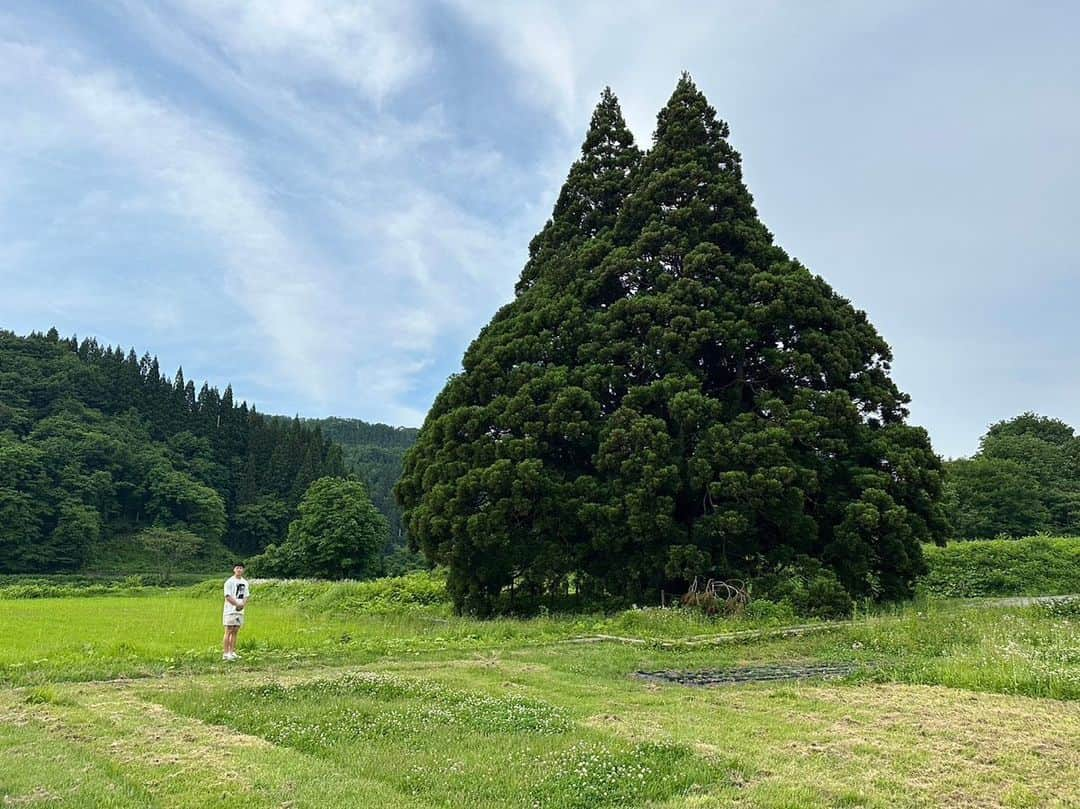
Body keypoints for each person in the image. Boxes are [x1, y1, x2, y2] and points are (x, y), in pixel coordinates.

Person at [222, 563, 250, 661]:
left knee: (236, 630)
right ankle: (225, 653)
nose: (239, 570)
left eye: (241, 568)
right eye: (237, 568)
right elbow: (227, 596)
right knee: (228, 630)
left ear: (243, 570)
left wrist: (242, 604)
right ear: (234, 569)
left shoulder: (245, 582)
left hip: (240, 610)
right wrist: (236, 605)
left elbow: (246, 595)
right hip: (230, 610)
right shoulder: (229, 582)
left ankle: (232, 652)